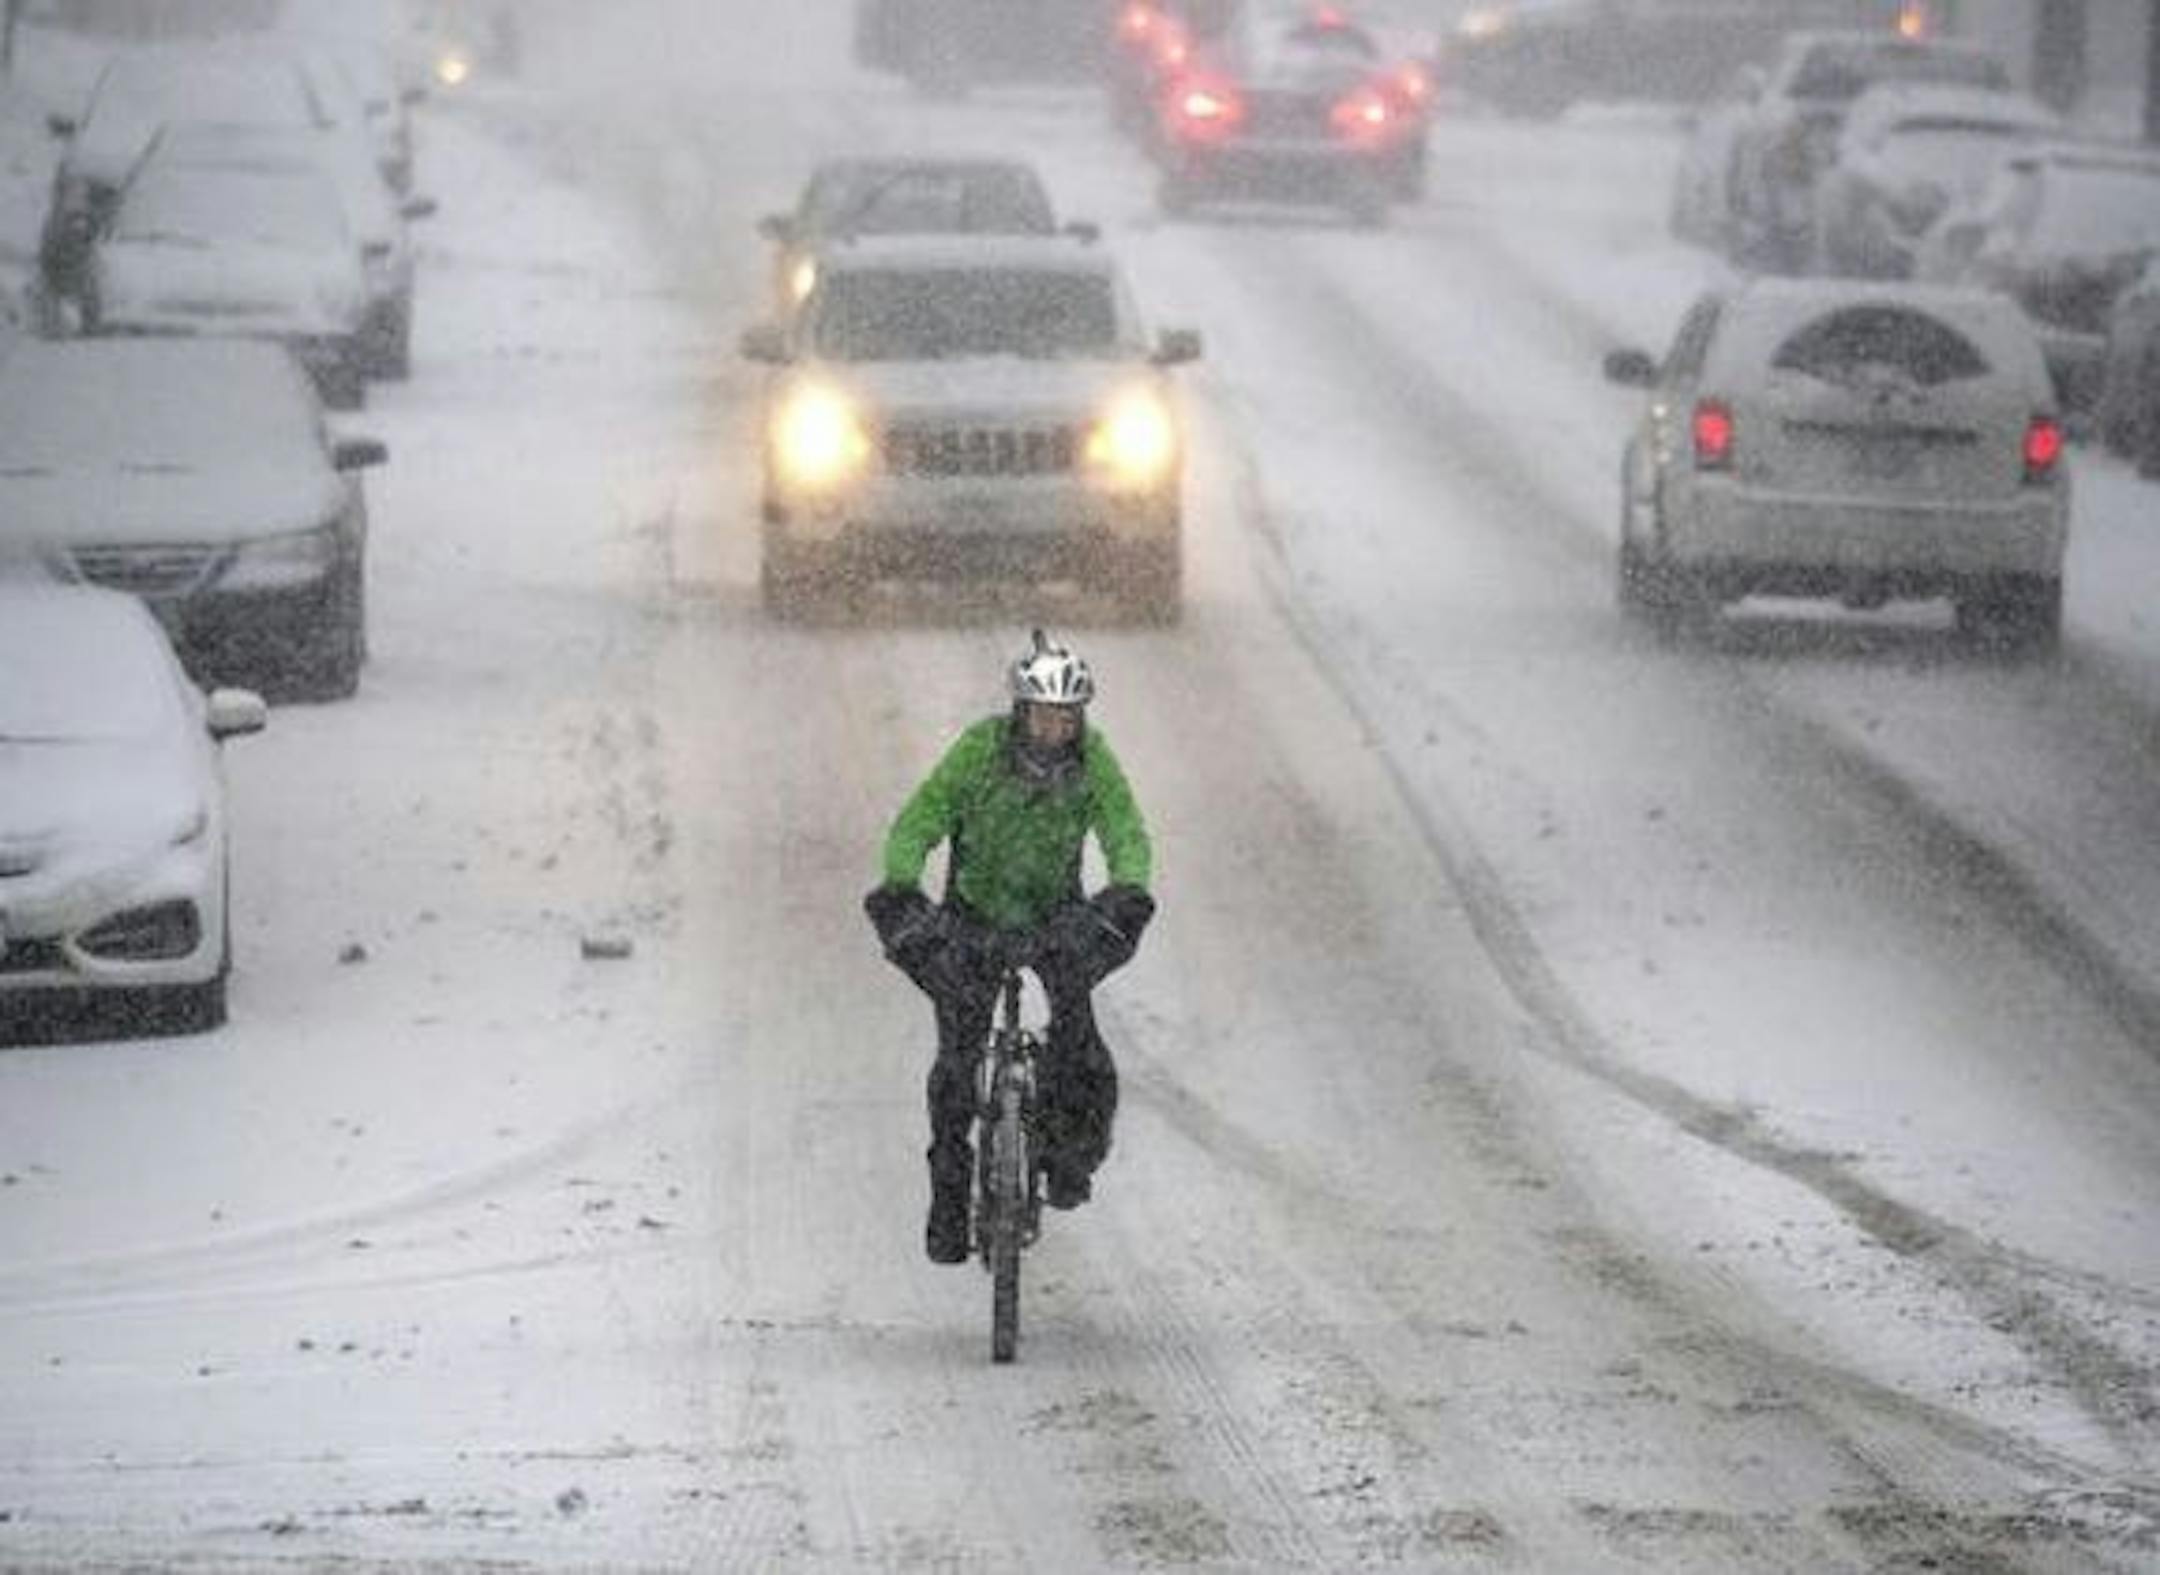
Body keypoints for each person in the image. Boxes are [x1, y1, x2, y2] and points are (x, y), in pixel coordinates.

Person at [864, 631, 1157, 1265]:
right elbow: (922, 818)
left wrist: (1129, 887)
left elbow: (1125, 830)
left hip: (1056, 916)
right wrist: (902, 880)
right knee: (956, 1068)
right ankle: (949, 1201)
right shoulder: (979, 751)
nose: (1054, 729)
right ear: (1020, 712)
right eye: (1043, 715)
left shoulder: (1094, 762)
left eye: (1066, 717)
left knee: (1078, 1042)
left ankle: (1066, 1156)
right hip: (973, 917)